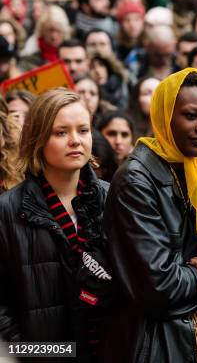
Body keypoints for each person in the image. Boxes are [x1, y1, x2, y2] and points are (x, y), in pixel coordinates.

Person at [101, 68, 197, 362]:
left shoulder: (195, 167)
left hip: (191, 337)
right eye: (191, 116)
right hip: (153, 344)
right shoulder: (136, 180)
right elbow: (159, 287)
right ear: (165, 116)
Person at [0, 89, 109, 360]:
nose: (75, 141)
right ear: (38, 138)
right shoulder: (8, 209)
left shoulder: (114, 199)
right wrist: (33, 354)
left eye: (83, 130)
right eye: (61, 133)